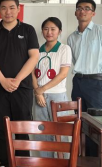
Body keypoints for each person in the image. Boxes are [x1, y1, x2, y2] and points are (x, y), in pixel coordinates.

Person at [0, 0, 39, 167]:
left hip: (22, 88)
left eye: (12, 8)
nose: (8, 12)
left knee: (22, 129)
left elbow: (34, 56)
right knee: (1, 129)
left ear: (18, 9)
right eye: (4, 8)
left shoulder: (28, 30)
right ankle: (5, 165)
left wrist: (17, 80)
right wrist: (2, 80)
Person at [67, 0, 102, 156]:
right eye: (79, 8)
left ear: (93, 13)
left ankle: (98, 161)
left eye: (87, 8)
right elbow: (75, 61)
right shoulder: (71, 38)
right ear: (75, 12)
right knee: (80, 121)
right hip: (78, 82)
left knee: (97, 123)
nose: (83, 11)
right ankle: (83, 160)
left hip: (97, 82)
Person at [31, 17, 73, 158]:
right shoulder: (37, 50)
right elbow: (32, 72)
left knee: (61, 132)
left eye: (53, 29)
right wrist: (38, 92)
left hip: (57, 96)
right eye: (46, 29)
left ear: (59, 31)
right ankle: (46, 165)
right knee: (41, 131)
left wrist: (41, 90)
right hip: (39, 96)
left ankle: (64, 165)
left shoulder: (64, 49)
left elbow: (63, 74)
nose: (49, 32)